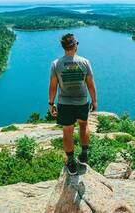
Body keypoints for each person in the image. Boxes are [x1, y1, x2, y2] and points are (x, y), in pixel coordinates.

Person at [48, 33, 98, 175]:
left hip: (64, 103)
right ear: (75, 45)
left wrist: (51, 103)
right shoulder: (85, 62)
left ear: (63, 47)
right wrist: (94, 101)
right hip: (82, 101)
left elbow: (53, 86)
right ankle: (84, 154)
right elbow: (90, 84)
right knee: (83, 125)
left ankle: (70, 162)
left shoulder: (56, 64)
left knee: (67, 131)